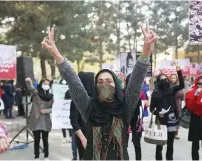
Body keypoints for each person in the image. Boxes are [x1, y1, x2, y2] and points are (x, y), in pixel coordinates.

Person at [41, 25, 157, 160]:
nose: (104, 85)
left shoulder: (125, 108)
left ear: (116, 85)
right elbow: (74, 82)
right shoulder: (89, 107)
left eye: (109, 81)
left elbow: (135, 83)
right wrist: (56, 55)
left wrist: (145, 54)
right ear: (95, 87)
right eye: (100, 82)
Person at [150, 63, 184, 161]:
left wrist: (179, 71)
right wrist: (158, 112)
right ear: (158, 81)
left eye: (166, 78)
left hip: (172, 121)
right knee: (159, 146)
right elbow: (151, 108)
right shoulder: (155, 93)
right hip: (161, 122)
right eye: (162, 79)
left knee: (170, 145)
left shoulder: (172, 90)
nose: (164, 80)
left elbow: (182, 85)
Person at [25, 78, 54, 160]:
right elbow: (31, 88)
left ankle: (46, 156)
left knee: (45, 139)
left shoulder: (51, 96)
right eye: (44, 84)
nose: (46, 85)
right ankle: (36, 156)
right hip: (36, 120)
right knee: (36, 140)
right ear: (41, 84)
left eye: (48, 84)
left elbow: (54, 108)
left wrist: (46, 110)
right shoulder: (36, 93)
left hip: (45, 120)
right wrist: (28, 82)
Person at [70, 72, 94, 160]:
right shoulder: (77, 100)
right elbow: (74, 122)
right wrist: (83, 139)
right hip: (83, 136)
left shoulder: (97, 97)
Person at [125, 74, 143, 160]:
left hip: (136, 121)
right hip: (125, 121)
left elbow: (139, 107)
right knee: (124, 145)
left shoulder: (137, 92)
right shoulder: (123, 92)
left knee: (137, 143)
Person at [170, 74, 184, 140]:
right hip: (169, 105)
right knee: (169, 119)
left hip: (177, 105)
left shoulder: (179, 86)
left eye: (174, 78)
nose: (173, 79)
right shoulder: (167, 86)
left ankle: (176, 133)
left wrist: (173, 94)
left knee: (176, 119)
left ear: (176, 79)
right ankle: (169, 133)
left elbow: (181, 95)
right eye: (172, 78)